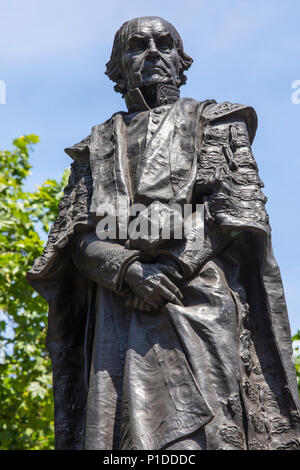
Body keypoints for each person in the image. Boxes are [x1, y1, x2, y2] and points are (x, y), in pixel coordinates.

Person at [27, 16, 300, 450]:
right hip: (118, 310)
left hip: (196, 302)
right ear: (119, 65)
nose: (153, 51)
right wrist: (129, 270)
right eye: (138, 45)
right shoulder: (93, 147)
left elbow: (231, 210)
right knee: (123, 440)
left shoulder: (218, 122)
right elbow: (74, 239)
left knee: (207, 438)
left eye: (164, 44)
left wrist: (170, 268)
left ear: (180, 60)